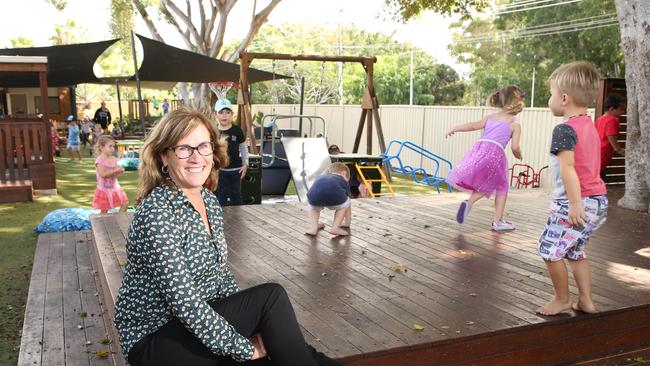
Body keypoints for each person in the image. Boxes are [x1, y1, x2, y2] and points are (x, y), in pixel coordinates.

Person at [114, 107, 340, 366]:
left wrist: (253, 325)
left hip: (196, 323)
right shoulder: (158, 212)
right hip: (155, 341)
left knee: (285, 341)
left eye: (203, 146)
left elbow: (221, 278)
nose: (196, 157)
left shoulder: (208, 201)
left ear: (213, 150)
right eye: (183, 148)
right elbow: (184, 303)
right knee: (271, 299)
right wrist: (244, 348)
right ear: (164, 157)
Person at [536, 61, 608, 316]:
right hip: (598, 200)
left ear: (564, 98)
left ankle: (562, 299)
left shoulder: (564, 129)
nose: (550, 99)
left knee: (549, 249)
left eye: (551, 93)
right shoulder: (589, 124)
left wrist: (575, 204)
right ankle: (586, 300)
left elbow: (569, 168)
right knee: (575, 250)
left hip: (577, 202)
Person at [445, 85, 524, 231]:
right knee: (501, 186)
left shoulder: (489, 117)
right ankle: (497, 221)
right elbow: (514, 147)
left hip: (479, 150)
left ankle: (470, 203)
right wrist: (518, 154)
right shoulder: (515, 123)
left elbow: (472, 126)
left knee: (488, 182)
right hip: (495, 154)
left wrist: (454, 128)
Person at [214, 99, 248, 206]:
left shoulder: (237, 130)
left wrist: (245, 164)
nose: (224, 116)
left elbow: (243, 147)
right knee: (221, 197)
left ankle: (238, 220)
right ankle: (221, 220)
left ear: (232, 114)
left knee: (236, 196)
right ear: (215, 114)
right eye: (221, 112)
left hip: (236, 171)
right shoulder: (214, 131)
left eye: (227, 113)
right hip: (220, 171)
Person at [305, 162, 352, 236]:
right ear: (343, 173)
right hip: (335, 197)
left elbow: (315, 189)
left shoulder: (321, 177)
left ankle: (313, 228)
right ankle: (335, 227)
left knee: (313, 207)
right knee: (347, 202)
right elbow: (347, 199)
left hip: (314, 197)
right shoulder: (341, 179)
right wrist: (347, 223)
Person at [92, 135, 128, 214]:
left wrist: (120, 171)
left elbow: (116, 171)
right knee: (105, 210)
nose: (112, 149)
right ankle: (102, 224)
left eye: (113, 147)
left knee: (125, 203)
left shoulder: (113, 159)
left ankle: (119, 220)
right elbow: (103, 174)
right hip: (104, 189)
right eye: (110, 146)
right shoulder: (99, 160)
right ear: (102, 147)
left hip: (115, 187)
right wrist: (115, 170)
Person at [595, 93, 626, 178]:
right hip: (603, 153)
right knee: (599, 176)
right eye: (621, 109)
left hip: (596, 153)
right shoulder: (612, 120)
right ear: (612, 109)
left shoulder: (600, 119)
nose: (623, 112)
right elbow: (611, 136)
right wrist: (619, 149)